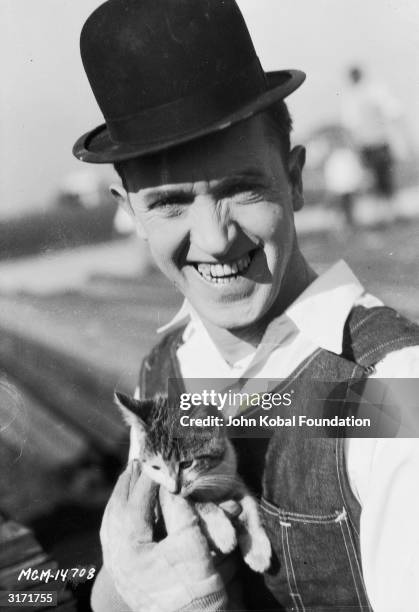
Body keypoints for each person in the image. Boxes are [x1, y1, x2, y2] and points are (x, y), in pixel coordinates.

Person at [73, 1, 419, 610]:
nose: (214, 239)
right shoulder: (163, 368)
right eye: (171, 203)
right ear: (129, 214)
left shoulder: (394, 394)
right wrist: (122, 590)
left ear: (295, 178)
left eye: (242, 188)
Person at [340, 67, 404, 214]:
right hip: (366, 146)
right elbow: (350, 127)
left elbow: (393, 113)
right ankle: (383, 213)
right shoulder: (351, 98)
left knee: (385, 179)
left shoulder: (373, 91)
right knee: (373, 181)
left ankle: (391, 212)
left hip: (379, 143)